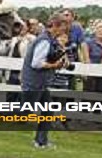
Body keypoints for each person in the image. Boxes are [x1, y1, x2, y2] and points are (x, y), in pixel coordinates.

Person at [21, 14, 68, 149]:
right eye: (62, 28)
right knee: (24, 113)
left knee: (48, 110)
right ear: (55, 25)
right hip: (34, 82)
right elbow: (36, 63)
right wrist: (55, 66)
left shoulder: (49, 40)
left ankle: (41, 141)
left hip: (40, 82)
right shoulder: (45, 41)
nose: (63, 32)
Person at [83, 23, 102, 94]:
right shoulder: (88, 42)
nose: (101, 33)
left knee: (100, 93)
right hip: (91, 72)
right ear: (95, 31)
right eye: (99, 31)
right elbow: (86, 58)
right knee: (89, 94)